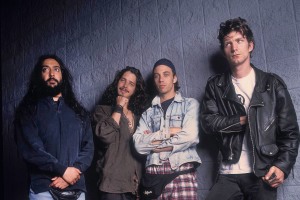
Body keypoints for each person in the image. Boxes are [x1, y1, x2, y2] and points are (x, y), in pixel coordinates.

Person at [200, 17, 300, 200]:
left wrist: (283, 167)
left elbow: (291, 132)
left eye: (239, 41)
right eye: (228, 43)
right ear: (224, 51)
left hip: (262, 172)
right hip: (228, 172)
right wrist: (241, 121)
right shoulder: (216, 86)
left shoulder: (272, 84)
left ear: (250, 45)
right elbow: (208, 122)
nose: (234, 47)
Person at [14, 54, 94, 200]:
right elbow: (32, 149)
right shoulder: (28, 111)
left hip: (76, 188)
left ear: (62, 75)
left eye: (56, 69)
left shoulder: (80, 113)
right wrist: (63, 171)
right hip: (44, 189)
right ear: (39, 75)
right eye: (46, 69)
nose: (52, 74)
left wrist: (72, 173)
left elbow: (88, 148)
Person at [133, 58, 201, 199]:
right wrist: (169, 132)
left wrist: (155, 145)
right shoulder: (147, 114)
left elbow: (190, 136)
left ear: (174, 78)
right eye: (156, 76)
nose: (161, 79)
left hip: (181, 172)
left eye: (166, 74)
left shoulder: (190, 105)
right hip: (152, 175)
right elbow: (139, 145)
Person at [93, 66, 147, 200]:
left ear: (135, 89)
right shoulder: (102, 111)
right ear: (117, 82)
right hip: (112, 187)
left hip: (136, 188)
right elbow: (105, 136)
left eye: (131, 83)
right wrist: (118, 107)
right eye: (123, 80)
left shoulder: (139, 117)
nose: (125, 86)